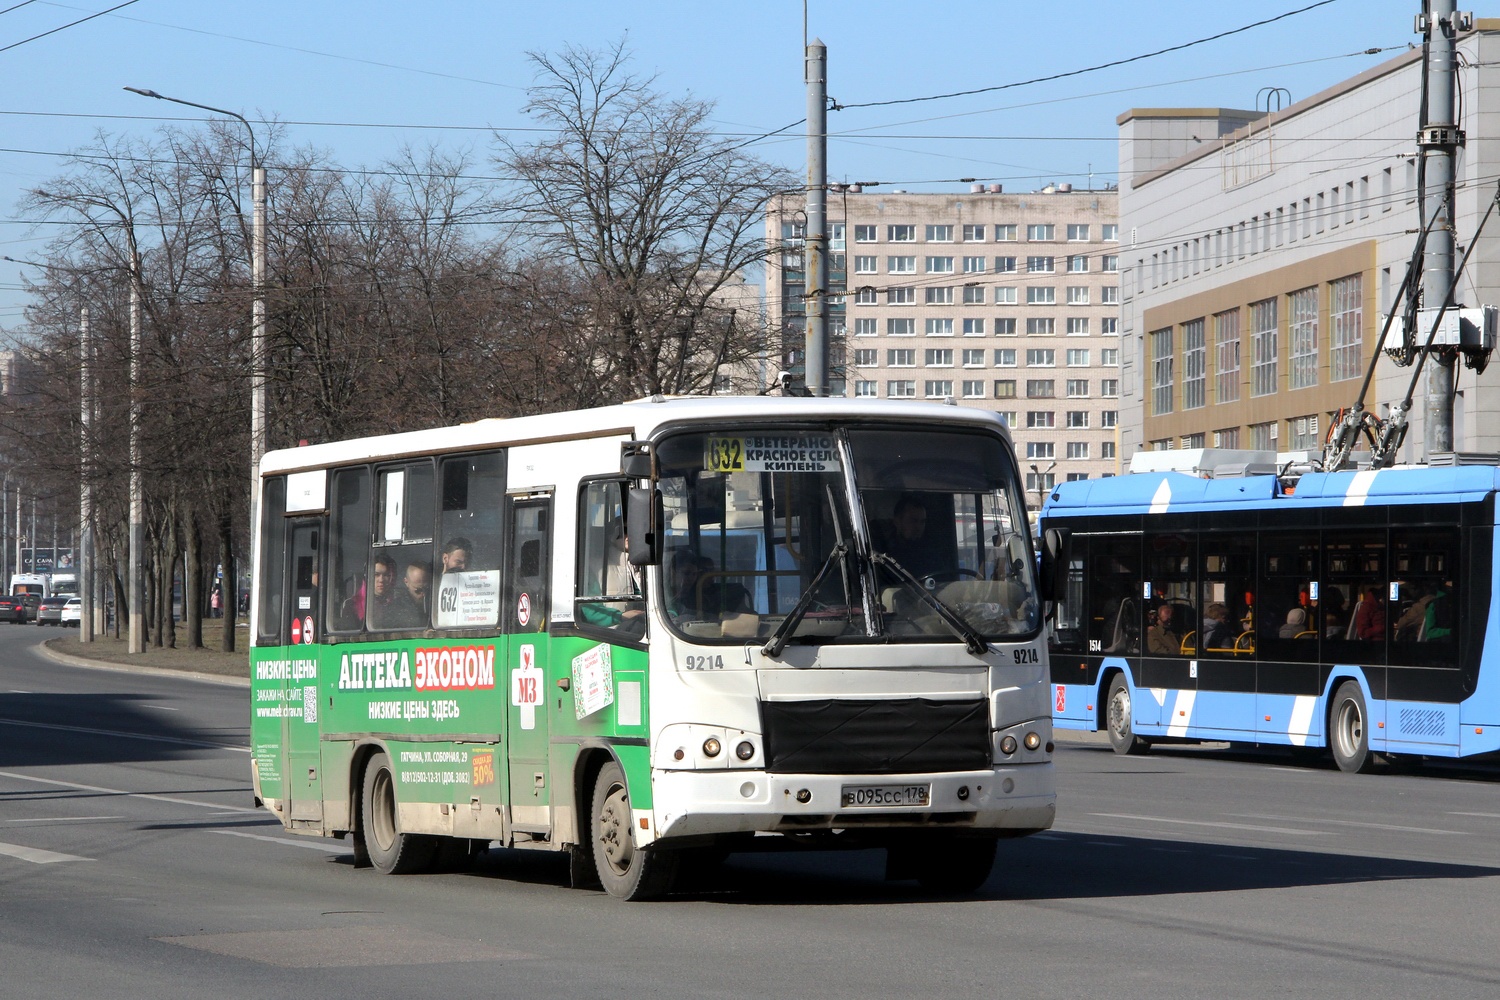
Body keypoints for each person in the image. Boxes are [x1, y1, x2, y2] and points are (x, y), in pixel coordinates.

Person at [880, 493, 951, 579]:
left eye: (922, 522)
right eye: (913, 521)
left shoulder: (932, 553)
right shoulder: (883, 554)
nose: (918, 527)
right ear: (897, 521)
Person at [671, 553, 750, 619]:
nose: (711, 575)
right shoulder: (682, 595)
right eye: (705, 571)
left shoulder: (726, 593)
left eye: (712, 571)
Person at [385, 559, 431, 629]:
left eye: (427, 589)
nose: (423, 594)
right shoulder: (395, 610)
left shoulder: (436, 603)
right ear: (406, 582)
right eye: (418, 590)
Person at [359, 554, 400, 629]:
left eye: (386, 575)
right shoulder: (352, 605)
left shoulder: (400, 604)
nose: (381, 580)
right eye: (376, 575)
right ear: (367, 577)